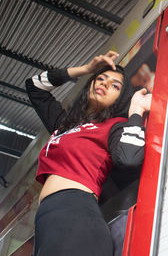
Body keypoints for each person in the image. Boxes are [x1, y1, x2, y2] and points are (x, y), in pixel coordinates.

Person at [25, 51, 151, 256]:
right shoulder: (65, 125)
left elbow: (129, 158)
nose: (104, 84)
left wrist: (135, 111)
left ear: (122, 98)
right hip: (46, 219)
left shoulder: (114, 126)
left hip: (76, 213)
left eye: (115, 85)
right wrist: (86, 69)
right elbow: (34, 86)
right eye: (100, 78)